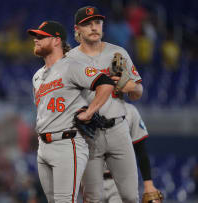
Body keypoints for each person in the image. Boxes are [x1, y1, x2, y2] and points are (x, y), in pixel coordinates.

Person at [27, 20, 115, 202]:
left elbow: (105, 83)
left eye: (41, 37)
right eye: (36, 36)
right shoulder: (37, 76)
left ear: (56, 40)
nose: (36, 40)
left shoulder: (72, 65)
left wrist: (90, 111)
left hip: (67, 143)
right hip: (43, 146)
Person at [66, 6, 144, 203]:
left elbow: (138, 93)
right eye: (88, 24)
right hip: (88, 134)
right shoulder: (69, 60)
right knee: (93, 198)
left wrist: (129, 86)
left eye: (97, 23)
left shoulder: (118, 52)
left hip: (118, 128)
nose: (94, 27)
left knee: (130, 196)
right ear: (78, 29)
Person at [102, 102, 161, 203]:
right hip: (93, 181)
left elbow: (141, 150)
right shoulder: (89, 107)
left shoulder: (130, 111)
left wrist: (148, 184)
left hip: (119, 181)